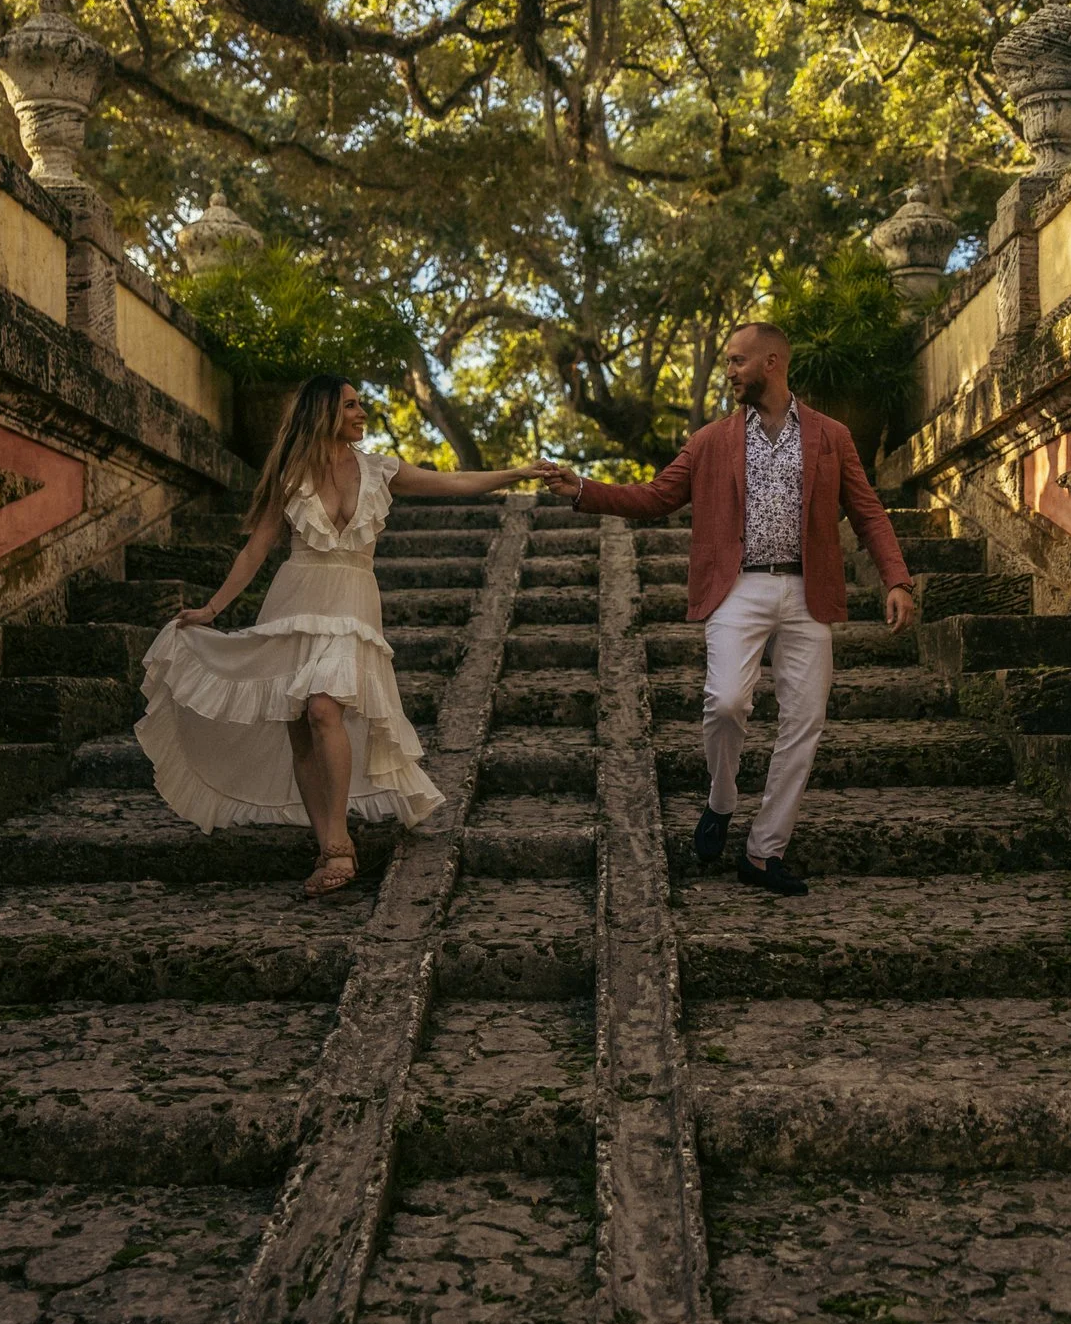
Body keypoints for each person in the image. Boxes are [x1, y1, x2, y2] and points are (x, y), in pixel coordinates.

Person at [138, 375, 563, 896]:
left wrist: (517, 472)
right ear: (323, 412)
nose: (363, 412)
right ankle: (326, 846)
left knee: (323, 708)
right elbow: (255, 550)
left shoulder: (380, 469)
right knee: (300, 727)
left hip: (353, 606)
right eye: (352, 404)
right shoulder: (290, 473)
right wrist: (212, 607)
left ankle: (339, 845)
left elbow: (451, 482)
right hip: (295, 604)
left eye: (362, 403)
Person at [542, 322, 915, 895]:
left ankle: (764, 852)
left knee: (805, 722)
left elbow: (867, 513)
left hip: (807, 592)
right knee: (725, 703)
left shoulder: (831, 436)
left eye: (738, 362)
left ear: (772, 362)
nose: (729, 372)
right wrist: (582, 489)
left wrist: (896, 579)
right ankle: (722, 797)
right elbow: (656, 497)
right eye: (726, 364)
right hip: (737, 589)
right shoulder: (710, 440)